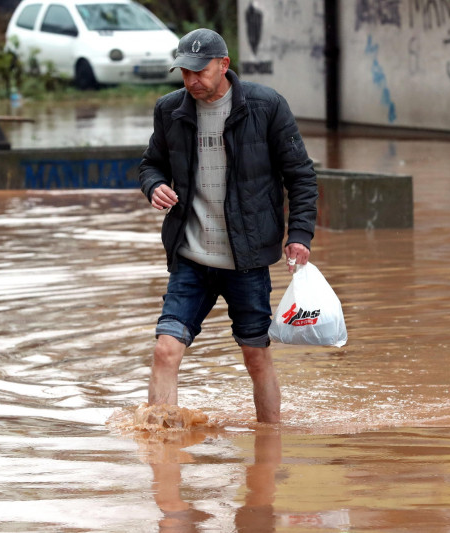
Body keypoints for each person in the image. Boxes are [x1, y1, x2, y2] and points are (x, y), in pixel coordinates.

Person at [138, 28, 318, 424]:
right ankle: (160, 457)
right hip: (190, 256)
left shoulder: (266, 107)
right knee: (165, 350)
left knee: (256, 356)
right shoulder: (170, 110)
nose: (191, 80)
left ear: (224, 65)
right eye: (184, 72)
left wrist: (299, 235)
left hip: (247, 260)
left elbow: (301, 175)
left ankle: (269, 448)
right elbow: (151, 163)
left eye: (199, 71)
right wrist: (155, 186)